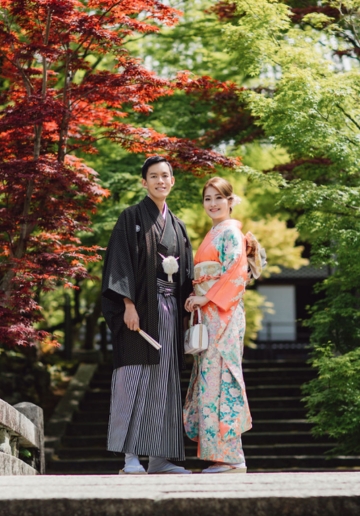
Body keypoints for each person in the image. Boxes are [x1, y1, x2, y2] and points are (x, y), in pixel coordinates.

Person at [102, 156, 194, 474]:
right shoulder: (131, 217)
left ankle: (159, 458)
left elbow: (187, 276)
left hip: (168, 312)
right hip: (139, 312)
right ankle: (130, 458)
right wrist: (128, 305)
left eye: (165, 176)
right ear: (144, 182)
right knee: (132, 380)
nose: (160, 181)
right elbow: (120, 262)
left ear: (172, 181)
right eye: (153, 176)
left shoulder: (178, 226)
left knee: (164, 383)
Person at [183, 176, 265, 474]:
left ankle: (232, 457)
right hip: (212, 312)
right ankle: (221, 456)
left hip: (224, 314)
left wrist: (206, 299)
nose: (213, 203)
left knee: (223, 379)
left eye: (219, 197)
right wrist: (197, 296)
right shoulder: (215, 232)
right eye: (208, 198)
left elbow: (236, 274)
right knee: (209, 380)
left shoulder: (230, 232)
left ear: (231, 201)